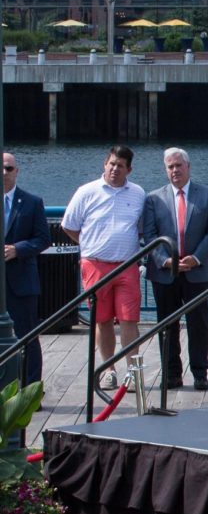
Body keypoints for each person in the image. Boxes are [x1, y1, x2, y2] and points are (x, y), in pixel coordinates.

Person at [62, 145, 146, 392]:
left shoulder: (138, 193)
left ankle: (133, 373)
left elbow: (140, 228)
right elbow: (69, 226)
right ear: (104, 164)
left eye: (120, 165)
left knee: (130, 320)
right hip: (94, 265)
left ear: (129, 169)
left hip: (128, 265)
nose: (115, 169)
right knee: (103, 320)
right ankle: (108, 371)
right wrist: (89, 245)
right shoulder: (86, 192)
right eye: (111, 164)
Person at [142, 147, 208, 391]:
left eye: (178, 165)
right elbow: (150, 234)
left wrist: (196, 258)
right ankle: (172, 374)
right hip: (165, 272)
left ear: (188, 167)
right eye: (170, 167)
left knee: (199, 323)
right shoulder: (153, 198)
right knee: (167, 325)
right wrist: (165, 260)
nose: (175, 170)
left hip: (197, 271)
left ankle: (200, 373)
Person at [2, 152, 50, 385]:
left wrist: (18, 249)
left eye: (9, 168)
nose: (4, 173)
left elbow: (43, 239)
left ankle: (31, 389)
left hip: (21, 282)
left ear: (17, 171)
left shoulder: (32, 202)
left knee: (28, 337)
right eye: (1, 168)